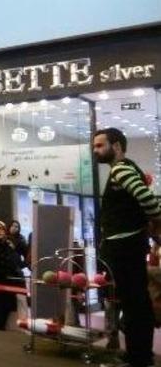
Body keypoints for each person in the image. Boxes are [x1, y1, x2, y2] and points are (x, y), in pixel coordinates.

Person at [93, 128, 160, 367]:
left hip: (125, 246)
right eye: (95, 146)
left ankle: (138, 357)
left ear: (117, 146)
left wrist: (156, 219)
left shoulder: (121, 169)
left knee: (134, 303)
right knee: (136, 302)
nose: (96, 151)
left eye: (100, 146)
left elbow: (148, 200)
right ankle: (139, 354)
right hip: (128, 245)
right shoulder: (125, 169)